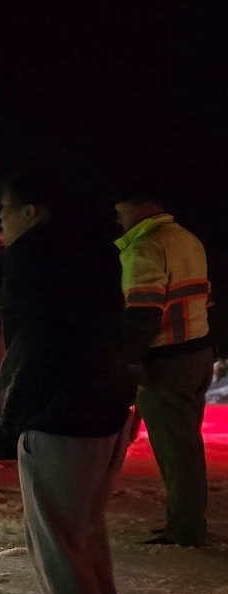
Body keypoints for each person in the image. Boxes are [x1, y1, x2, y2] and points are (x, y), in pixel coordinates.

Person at [0, 171, 142, 594]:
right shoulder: (98, 250)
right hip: (106, 405)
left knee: (56, 545)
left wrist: (8, 421)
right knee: (85, 536)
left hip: (61, 413)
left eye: (5, 209)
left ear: (34, 210)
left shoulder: (33, 257)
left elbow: (30, 346)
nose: (0, 221)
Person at [114, 180, 213, 547]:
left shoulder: (145, 246)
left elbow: (143, 313)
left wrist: (130, 359)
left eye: (121, 211)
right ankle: (186, 521)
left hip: (167, 359)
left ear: (140, 208)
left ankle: (185, 529)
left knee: (176, 450)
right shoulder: (188, 239)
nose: (118, 218)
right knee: (186, 445)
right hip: (197, 352)